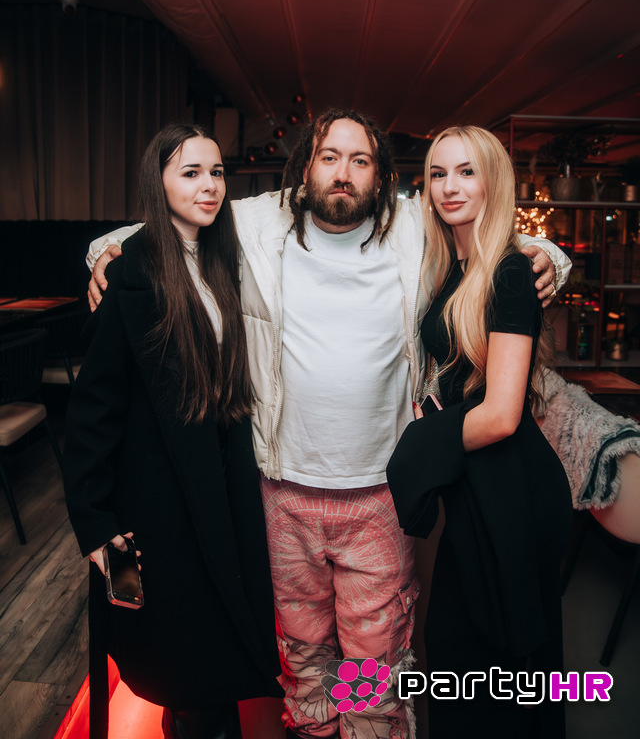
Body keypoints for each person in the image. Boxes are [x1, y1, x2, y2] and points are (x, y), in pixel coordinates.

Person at [85, 110, 569, 739]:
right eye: (329, 157)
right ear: (304, 167)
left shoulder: (412, 225)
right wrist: (102, 254)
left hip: (379, 498)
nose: (343, 173)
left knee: (374, 674)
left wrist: (548, 256)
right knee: (305, 670)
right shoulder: (258, 221)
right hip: (281, 492)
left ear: (381, 174)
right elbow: (166, 217)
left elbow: (492, 230)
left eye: (359, 160)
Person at [63, 123, 282, 739]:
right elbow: (93, 409)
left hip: (219, 491)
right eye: (190, 173)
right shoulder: (131, 273)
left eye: (216, 172)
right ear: (157, 183)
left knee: (218, 658)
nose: (209, 185)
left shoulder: (221, 261)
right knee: (182, 665)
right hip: (158, 507)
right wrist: (94, 523)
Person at [387, 126, 573, 739]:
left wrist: (418, 444)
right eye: (438, 173)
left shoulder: (511, 272)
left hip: (515, 488)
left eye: (467, 171)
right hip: (478, 485)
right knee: (460, 658)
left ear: (493, 180)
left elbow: (501, 413)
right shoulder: (452, 267)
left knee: (506, 672)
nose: (450, 186)